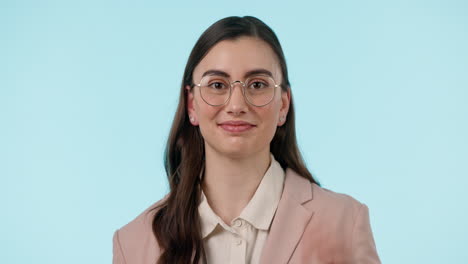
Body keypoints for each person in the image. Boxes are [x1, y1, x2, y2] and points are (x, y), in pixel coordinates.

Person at [112, 16, 381, 264]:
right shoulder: (134, 242)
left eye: (257, 85)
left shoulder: (344, 222)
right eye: (217, 85)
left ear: (283, 105)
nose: (237, 105)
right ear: (191, 104)